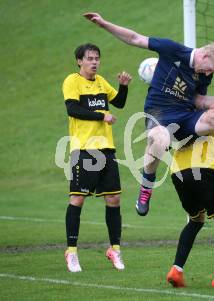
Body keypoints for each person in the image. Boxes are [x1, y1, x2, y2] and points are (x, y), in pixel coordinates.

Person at [82, 12, 214, 217]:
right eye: (209, 68)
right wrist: (103, 24)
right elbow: (134, 38)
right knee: (159, 139)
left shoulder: (205, 74)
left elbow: (199, 101)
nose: (207, 73)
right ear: (204, 55)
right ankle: (146, 189)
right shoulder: (172, 50)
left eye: (211, 72)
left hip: (185, 119)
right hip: (159, 116)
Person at [62, 43, 132, 272]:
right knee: (78, 199)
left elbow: (119, 103)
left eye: (97, 58)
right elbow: (73, 110)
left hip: (106, 149)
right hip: (83, 149)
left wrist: (123, 87)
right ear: (79, 61)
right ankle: (71, 252)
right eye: (90, 58)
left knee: (113, 200)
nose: (94, 62)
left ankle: (115, 250)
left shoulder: (101, 82)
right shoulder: (72, 81)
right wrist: (101, 116)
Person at [166, 100, 214, 288]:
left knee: (196, 220)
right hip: (203, 171)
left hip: (178, 173)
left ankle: (176, 270)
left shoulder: (193, 117)